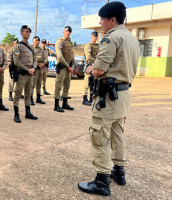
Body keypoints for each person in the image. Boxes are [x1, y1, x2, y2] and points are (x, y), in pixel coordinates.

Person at [78, 2, 140, 196]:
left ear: (112, 19)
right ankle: (119, 172)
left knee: (99, 135)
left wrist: (88, 69)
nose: (100, 22)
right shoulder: (132, 38)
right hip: (123, 94)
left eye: (102, 19)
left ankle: (101, 180)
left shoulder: (110, 39)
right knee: (117, 132)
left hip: (108, 96)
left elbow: (99, 69)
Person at [12, 25, 38, 123]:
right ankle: (16, 114)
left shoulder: (31, 47)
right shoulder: (17, 47)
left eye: (29, 32)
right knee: (18, 93)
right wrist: (28, 70)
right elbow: (16, 62)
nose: (28, 34)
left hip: (30, 74)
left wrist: (34, 68)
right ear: (22, 33)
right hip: (22, 74)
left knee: (28, 93)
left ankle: (28, 112)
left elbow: (35, 59)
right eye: (26, 32)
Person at [54, 26, 78, 112]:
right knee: (59, 85)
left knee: (67, 85)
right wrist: (68, 66)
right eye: (66, 31)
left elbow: (72, 55)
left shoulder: (70, 42)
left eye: (69, 31)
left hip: (69, 67)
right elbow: (60, 56)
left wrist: (75, 66)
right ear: (63, 32)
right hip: (62, 67)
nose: (68, 32)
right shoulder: (60, 42)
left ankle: (64, 103)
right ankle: (56, 105)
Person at [82, 31, 99, 106]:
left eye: (96, 36)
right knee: (87, 83)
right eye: (93, 36)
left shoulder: (99, 45)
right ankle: (85, 99)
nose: (95, 37)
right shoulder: (88, 45)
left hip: (96, 66)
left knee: (94, 83)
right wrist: (97, 62)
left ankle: (92, 99)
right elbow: (88, 56)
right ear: (91, 37)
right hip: (89, 66)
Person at [30, 36, 47, 105]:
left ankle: (38, 98)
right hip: (35, 68)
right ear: (33, 41)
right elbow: (30, 59)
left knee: (39, 83)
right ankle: (30, 98)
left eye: (38, 40)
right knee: (32, 84)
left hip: (41, 69)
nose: (38, 41)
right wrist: (38, 64)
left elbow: (45, 58)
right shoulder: (31, 48)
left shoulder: (41, 49)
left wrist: (44, 63)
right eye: (36, 40)